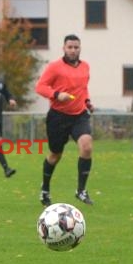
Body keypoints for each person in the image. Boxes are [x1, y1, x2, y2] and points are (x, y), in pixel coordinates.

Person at [35, 34, 94, 207]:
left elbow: (83, 89)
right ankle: (45, 189)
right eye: (70, 47)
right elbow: (40, 87)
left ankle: (81, 191)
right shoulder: (55, 67)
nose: (73, 50)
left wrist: (88, 102)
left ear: (80, 48)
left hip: (79, 115)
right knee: (55, 155)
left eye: (76, 47)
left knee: (87, 145)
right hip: (58, 117)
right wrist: (56, 94)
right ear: (64, 48)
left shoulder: (85, 67)